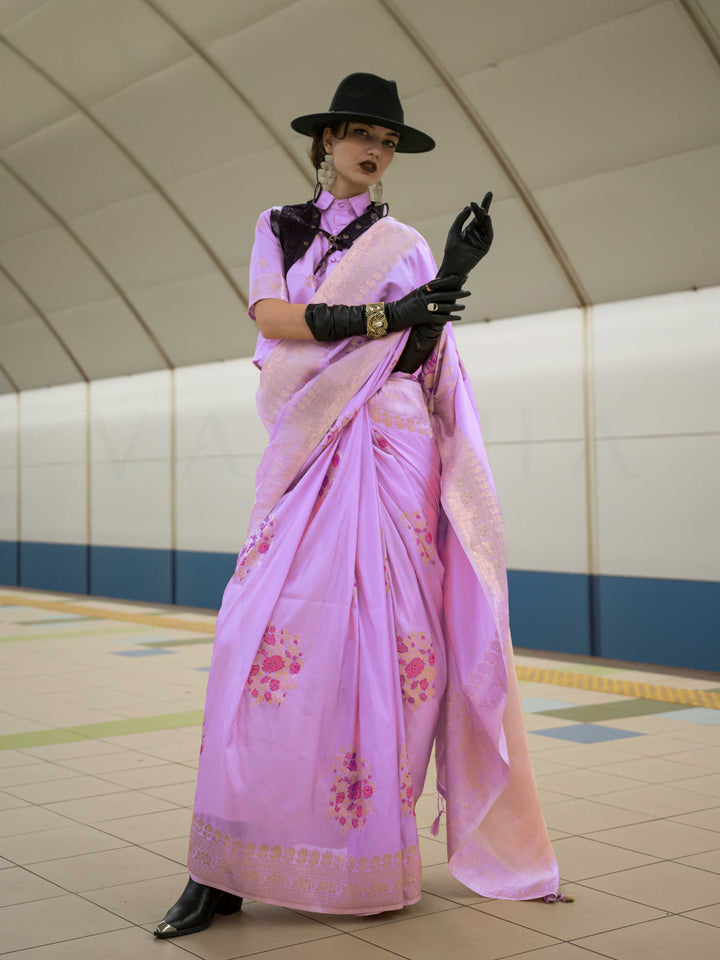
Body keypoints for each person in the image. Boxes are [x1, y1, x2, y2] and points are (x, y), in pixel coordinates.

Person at [154, 72, 568, 940]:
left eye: (385, 138)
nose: (372, 150)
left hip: (394, 456)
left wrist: (451, 274)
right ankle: (220, 867)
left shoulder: (409, 243)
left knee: (396, 660)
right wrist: (382, 321)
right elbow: (274, 318)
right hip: (311, 456)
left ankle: (365, 853)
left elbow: (423, 358)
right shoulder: (278, 227)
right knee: (258, 644)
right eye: (358, 134)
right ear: (326, 142)